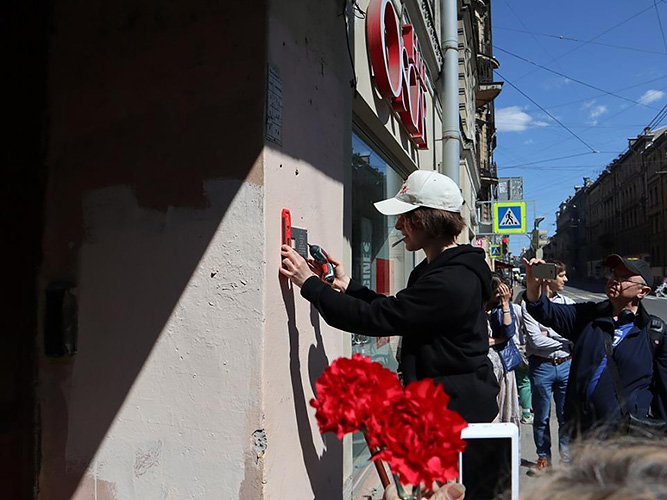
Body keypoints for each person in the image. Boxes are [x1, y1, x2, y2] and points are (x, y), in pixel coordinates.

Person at [280, 170, 501, 499]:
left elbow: (380, 319)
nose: (397, 226)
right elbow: (404, 312)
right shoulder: (433, 269)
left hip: (456, 419)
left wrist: (309, 285)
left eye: (404, 218)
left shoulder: (452, 280)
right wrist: (349, 288)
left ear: (427, 220)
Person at [523, 254, 667, 437]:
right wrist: (533, 286)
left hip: (627, 436)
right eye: (614, 275)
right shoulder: (588, 316)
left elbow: (664, 392)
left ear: (643, 292)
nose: (614, 280)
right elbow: (545, 311)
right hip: (582, 431)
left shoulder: (655, 333)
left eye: (623, 279)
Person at [521, 260, 574, 473]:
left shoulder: (568, 302)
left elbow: (574, 332)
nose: (566, 280)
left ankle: (567, 462)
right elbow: (535, 340)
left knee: (565, 416)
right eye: (561, 276)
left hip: (566, 364)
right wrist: (564, 337)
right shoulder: (528, 303)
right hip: (541, 366)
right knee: (541, 416)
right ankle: (543, 458)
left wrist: (550, 333)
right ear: (550, 278)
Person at [486, 276, 521, 428]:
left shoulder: (502, 308)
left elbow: (508, 332)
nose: (499, 295)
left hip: (504, 365)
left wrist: (506, 304)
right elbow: (479, 341)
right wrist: (497, 340)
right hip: (486, 368)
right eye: (496, 292)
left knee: (507, 412)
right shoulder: (476, 309)